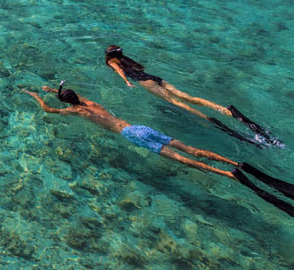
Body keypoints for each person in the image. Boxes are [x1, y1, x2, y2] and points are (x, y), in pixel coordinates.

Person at [24, 83, 294, 217]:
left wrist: (36, 96)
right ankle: (233, 161)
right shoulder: (90, 103)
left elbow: (49, 110)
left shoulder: (78, 113)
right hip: (139, 127)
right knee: (190, 149)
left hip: (131, 136)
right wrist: (55, 88)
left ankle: (227, 174)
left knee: (182, 160)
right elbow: (73, 97)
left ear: (68, 103)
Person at [103, 45, 282, 148]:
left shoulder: (112, 61)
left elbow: (119, 70)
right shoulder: (128, 59)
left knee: (179, 104)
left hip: (146, 82)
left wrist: (126, 82)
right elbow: (137, 68)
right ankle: (225, 110)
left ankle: (212, 120)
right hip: (155, 78)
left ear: (111, 56)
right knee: (188, 97)